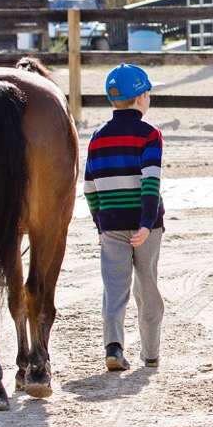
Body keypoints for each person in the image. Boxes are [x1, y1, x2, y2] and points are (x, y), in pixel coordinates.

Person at [84, 64, 166, 371]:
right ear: (141, 97)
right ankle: (151, 353)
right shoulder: (150, 135)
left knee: (114, 287)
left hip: (112, 224)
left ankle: (114, 347)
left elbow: (90, 188)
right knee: (147, 287)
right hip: (147, 226)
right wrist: (146, 222)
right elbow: (151, 182)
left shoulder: (97, 138)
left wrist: (99, 225)